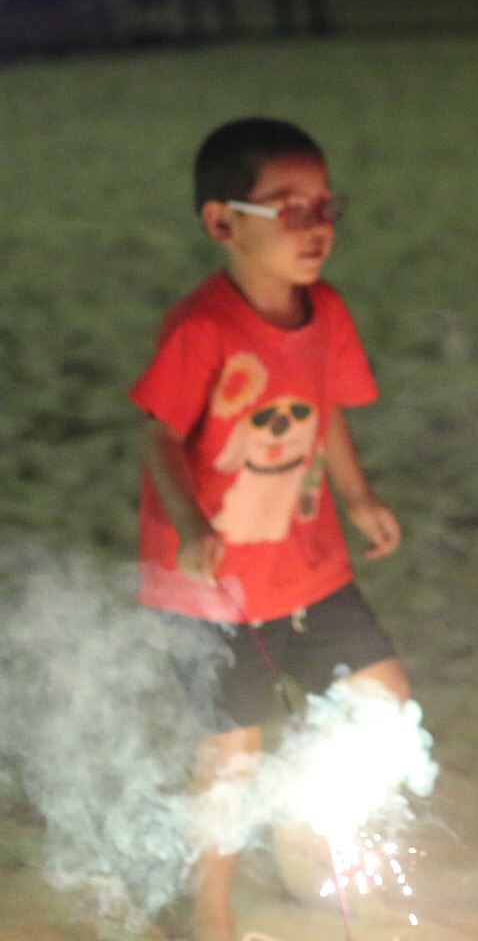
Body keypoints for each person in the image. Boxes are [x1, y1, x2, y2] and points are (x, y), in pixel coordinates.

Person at [131, 118, 407, 941]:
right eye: (289, 209)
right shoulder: (202, 328)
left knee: (381, 695)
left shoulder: (328, 312)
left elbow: (328, 412)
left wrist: (358, 497)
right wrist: (190, 525)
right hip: (211, 584)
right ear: (223, 223)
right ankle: (208, 908)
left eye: (325, 207)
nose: (315, 226)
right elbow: (156, 436)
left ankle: (295, 832)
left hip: (309, 566)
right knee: (232, 750)